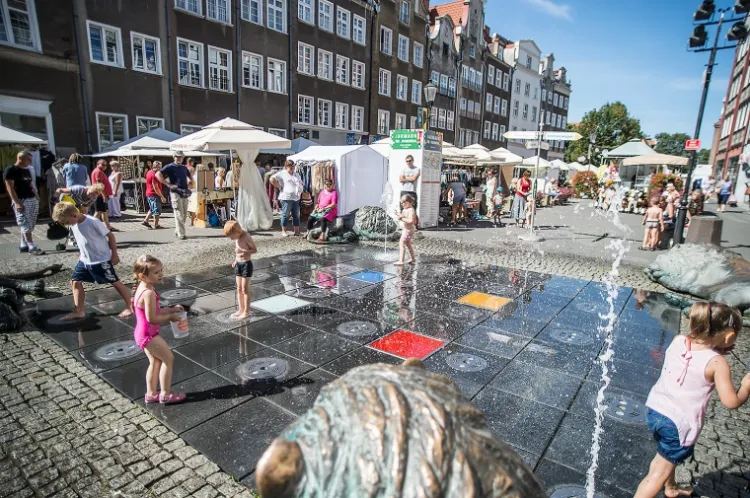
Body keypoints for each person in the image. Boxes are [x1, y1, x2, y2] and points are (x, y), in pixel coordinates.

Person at [634, 302, 750, 498]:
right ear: (729, 335)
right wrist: (746, 386)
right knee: (656, 473)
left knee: (665, 456)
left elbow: (696, 353)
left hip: (655, 410)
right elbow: (731, 401)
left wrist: (715, 348)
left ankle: (670, 488)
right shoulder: (717, 363)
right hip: (678, 425)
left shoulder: (679, 340)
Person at [52, 201, 133, 320]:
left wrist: (114, 254)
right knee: (75, 282)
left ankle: (130, 306)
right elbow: (82, 239)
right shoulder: (73, 224)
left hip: (101, 260)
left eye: (66, 222)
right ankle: (79, 311)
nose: (66, 225)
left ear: (73, 216)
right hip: (85, 260)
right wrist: (81, 252)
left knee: (115, 282)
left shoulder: (92, 222)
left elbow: (110, 236)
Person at [131, 254, 187, 405]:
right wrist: (170, 318)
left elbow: (154, 312)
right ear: (143, 275)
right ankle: (166, 394)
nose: (161, 274)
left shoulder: (145, 287)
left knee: (155, 362)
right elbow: (152, 318)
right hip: (148, 335)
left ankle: (151, 394)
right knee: (168, 359)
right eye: (156, 272)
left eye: (161, 270)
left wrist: (170, 310)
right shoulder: (148, 293)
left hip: (143, 333)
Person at [4, 151, 44, 255]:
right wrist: (17, 202)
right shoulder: (11, 170)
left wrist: (37, 197)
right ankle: (31, 246)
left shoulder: (26, 170)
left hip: (32, 199)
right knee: (25, 222)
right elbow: (10, 188)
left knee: (30, 222)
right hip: (21, 199)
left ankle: (23, 244)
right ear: (21, 159)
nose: (30, 162)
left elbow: (30, 184)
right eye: (28, 160)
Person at [223, 221, 257, 320]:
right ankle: (240, 309)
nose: (231, 239)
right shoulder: (237, 237)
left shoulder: (247, 237)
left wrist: (244, 251)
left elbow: (254, 250)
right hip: (239, 264)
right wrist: (235, 261)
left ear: (237, 231)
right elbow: (238, 252)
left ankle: (246, 311)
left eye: (231, 236)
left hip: (246, 264)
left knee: (245, 289)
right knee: (238, 288)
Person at [156, 152, 191, 240]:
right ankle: (181, 234)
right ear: (174, 157)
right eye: (177, 157)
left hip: (184, 192)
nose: (179, 158)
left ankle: (177, 230)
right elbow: (158, 174)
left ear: (183, 158)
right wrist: (168, 184)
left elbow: (189, 177)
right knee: (179, 213)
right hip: (175, 192)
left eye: (180, 157)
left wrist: (190, 184)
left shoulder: (184, 167)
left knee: (184, 214)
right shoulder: (170, 166)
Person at [270, 160, 303, 237]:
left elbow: (300, 183)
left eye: (293, 166)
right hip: (286, 197)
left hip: (296, 197)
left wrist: (300, 189)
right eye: (290, 166)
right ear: (286, 167)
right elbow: (272, 179)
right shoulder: (282, 173)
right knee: (285, 214)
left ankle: (297, 231)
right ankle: (284, 231)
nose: (292, 167)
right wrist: (278, 186)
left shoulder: (297, 174)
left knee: (296, 215)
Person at [91, 159, 115, 231]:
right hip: (100, 196)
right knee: (98, 212)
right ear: (98, 164)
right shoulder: (98, 172)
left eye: (105, 165)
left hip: (101, 195)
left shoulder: (99, 171)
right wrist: (104, 196)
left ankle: (108, 226)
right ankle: (91, 226)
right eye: (103, 164)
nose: (105, 166)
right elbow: (100, 185)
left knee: (104, 211)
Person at [143, 161, 167, 229]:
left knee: (152, 208)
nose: (161, 168)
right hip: (154, 194)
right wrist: (162, 196)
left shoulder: (149, 172)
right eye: (159, 167)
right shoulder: (154, 175)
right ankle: (156, 225)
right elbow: (155, 188)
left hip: (149, 193)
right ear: (155, 167)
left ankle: (145, 221)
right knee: (156, 210)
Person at [394, 195, 416, 266]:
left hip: (408, 230)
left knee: (401, 243)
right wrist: (398, 214)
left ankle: (401, 261)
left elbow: (411, 221)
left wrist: (401, 219)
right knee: (408, 244)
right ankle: (412, 258)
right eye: (401, 203)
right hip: (406, 230)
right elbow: (403, 216)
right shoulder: (405, 210)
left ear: (408, 202)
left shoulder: (411, 210)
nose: (402, 204)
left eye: (403, 203)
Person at [399, 155, 420, 227]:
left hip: (412, 191)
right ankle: (403, 225)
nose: (408, 162)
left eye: (410, 161)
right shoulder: (403, 169)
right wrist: (409, 178)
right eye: (407, 161)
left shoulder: (417, 169)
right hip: (404, 191)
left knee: (413, 208)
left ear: (413, 161)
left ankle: (414, 225)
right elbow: (401, 180)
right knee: (402, 208)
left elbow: (414, 179)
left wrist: (405, 178)